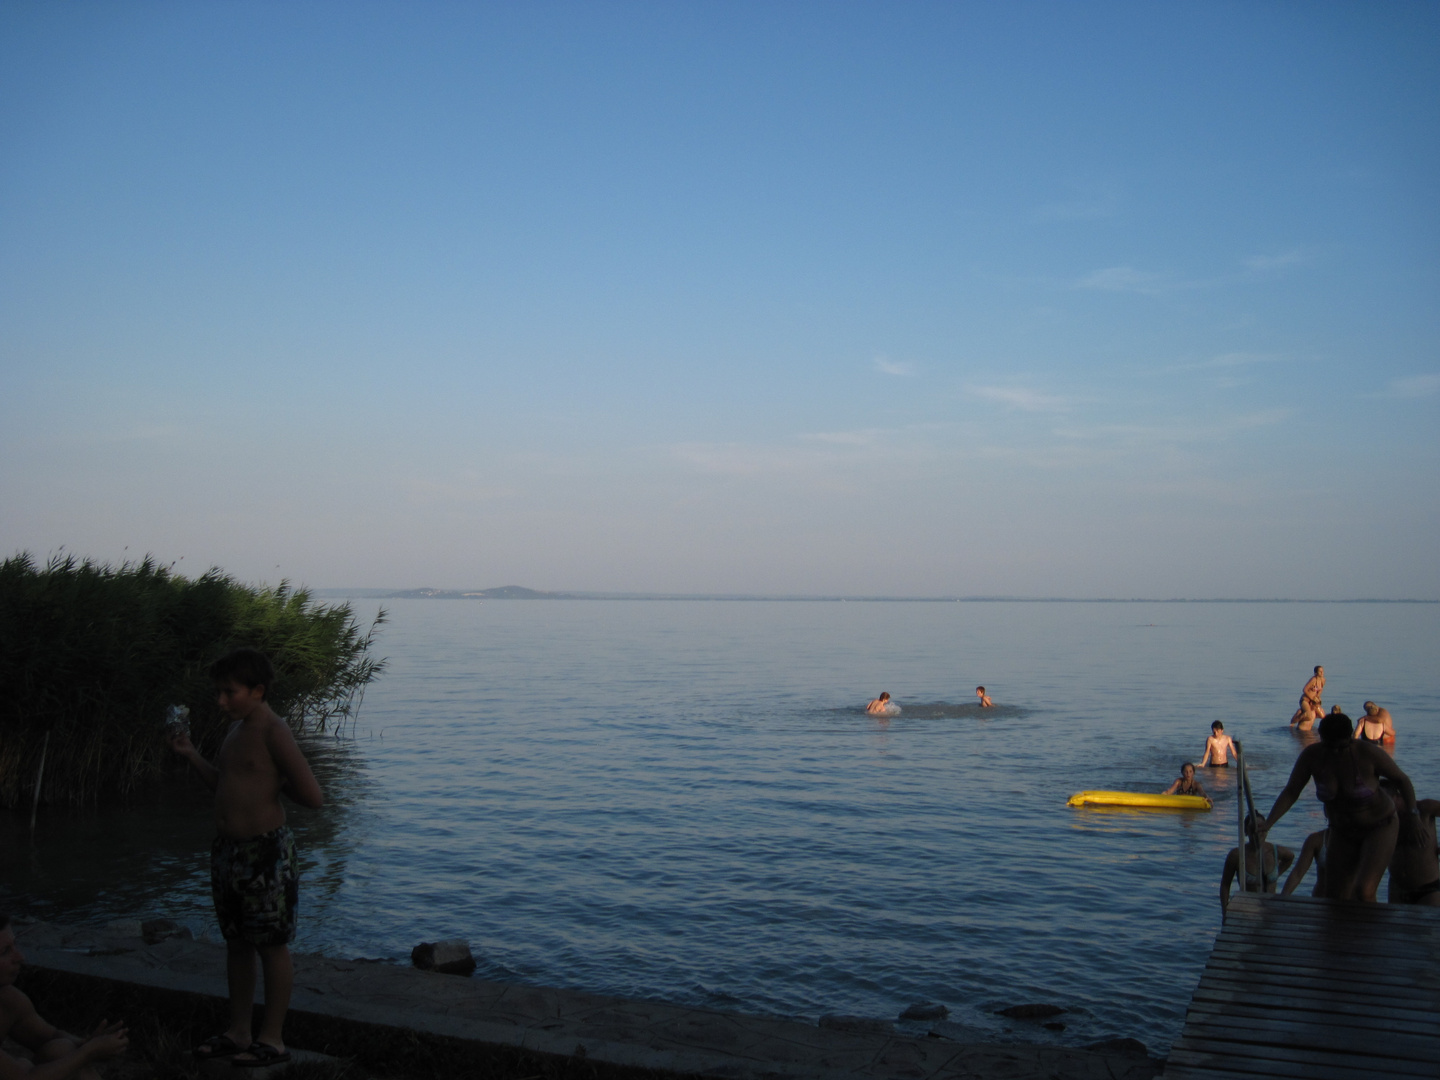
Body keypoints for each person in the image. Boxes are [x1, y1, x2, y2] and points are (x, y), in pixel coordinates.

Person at [168, 649, 323, 1067]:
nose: (220, 701)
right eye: (218, 692)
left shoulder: (273, 730)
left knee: (271, 947)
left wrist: (277, 782)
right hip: (228, 853)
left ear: (257, 691)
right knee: (236, 944)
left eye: (228, 693)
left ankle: (272, 1039)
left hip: (265, 854)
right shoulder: (235, 730)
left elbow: (313, 796)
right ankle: (238, 1032)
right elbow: (225, 784)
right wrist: (191, 754)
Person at [1257, 710, 1415, 902]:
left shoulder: (1367, 753)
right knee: (1334, 894)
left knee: (1363, 891)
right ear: (1321, 739)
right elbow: (1291, 791)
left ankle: (1369, 930)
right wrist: (1269, 823)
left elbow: (1402, 780)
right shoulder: (1311, 756)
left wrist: (1413, 816)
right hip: (1342, 830)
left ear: (1350, 738)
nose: (1336, 752)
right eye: (1330, 747)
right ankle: (1342, 931)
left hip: (1379, 826)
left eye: (1341, 747)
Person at [0, 913, 129, 1079]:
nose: (20, 957)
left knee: (61, 1048)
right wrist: (89, 1052)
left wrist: (86, 1044)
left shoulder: (8, 999)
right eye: (4, 951)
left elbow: (50, 1036)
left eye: (15, 945)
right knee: (26, 1065)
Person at [1383, 780, 1440, 906]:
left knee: (1430, 924)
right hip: (1397, 887)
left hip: (1427, 888)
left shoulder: (1424, 808)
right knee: (1395, 926)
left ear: (1397, 796)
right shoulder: (1383, 819)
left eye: (1385, 800)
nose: (1381, 805)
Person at [1220, 817, 1294, 913]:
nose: (1258, 832)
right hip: (1247, 909)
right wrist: (1225, 910)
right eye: (1253, 828)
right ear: (1246, 831)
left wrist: (1276, 874)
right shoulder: (1237, 855)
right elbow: (1225, 885)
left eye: (1261, 828)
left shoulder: (1273, 851)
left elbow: (1290, 857)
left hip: (1270, 908)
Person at [1281, 829, 1329, 898]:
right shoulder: (1316, 839)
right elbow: (1298, 873)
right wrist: (1283, 896)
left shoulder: (1349, 841)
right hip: (1321, 898)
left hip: (1348, 900)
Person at [1289, 665, 1325, 730]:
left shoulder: (1323, 680)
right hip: (1305, 700)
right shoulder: (1313, 680)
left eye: (1322, 671)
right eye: (1320, 671)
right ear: (1316, 673)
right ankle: (1295, 720)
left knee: (1322, 715)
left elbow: (1321, 689)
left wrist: (1317, 697)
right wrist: (1311, 698)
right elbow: (1305, 689)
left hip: (1314, 701)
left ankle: (1302, 712)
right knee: (1308, 715)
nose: (1322, 673)